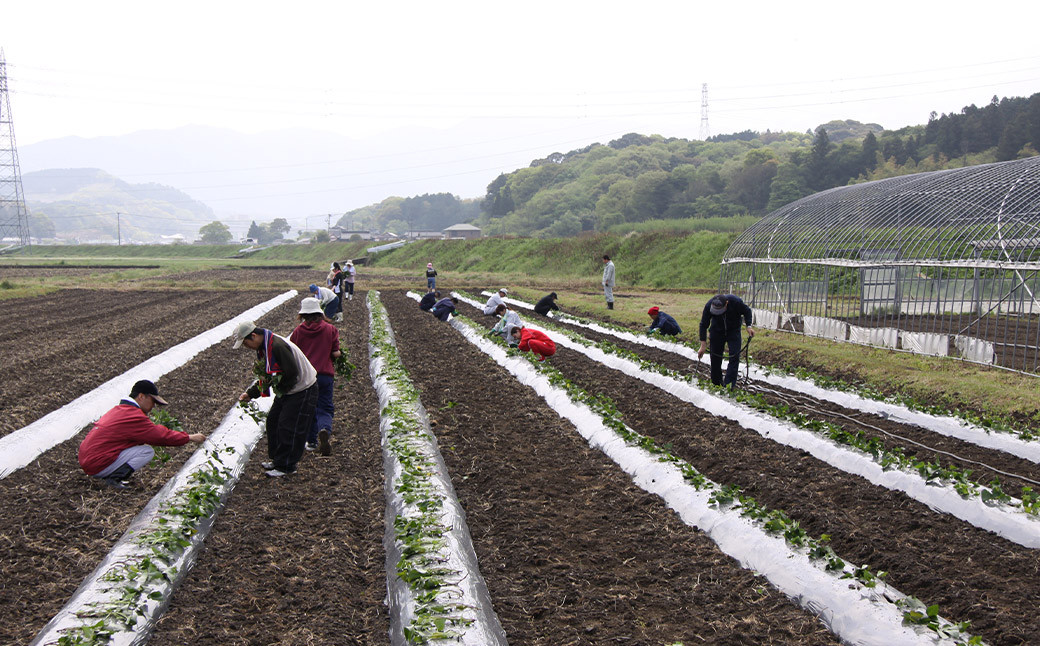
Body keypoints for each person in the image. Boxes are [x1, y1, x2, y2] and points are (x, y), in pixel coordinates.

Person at [78, 380, 206, 489]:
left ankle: (111, 474)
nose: (153, 406)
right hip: (97, 464)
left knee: (138, 447)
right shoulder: (133, 416)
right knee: (146, 451)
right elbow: (160, 436)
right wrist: (189, 437)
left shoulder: (119, 410)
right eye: (153, 401)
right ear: (141, 396)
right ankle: (114, 478)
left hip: (89, 460)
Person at [233, 320, 319, 477]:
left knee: (289, 426)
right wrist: (251, 393)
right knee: (273, 420)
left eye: (245, 343)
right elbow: (267, 375)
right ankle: (277, 459)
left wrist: (281, 390)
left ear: (253, 336)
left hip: (302, 389)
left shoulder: (276, 346)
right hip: (288, 390)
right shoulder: (265, 347)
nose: (246, 347)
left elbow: (291, 373)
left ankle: (287, 466)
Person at [289, 298, 341, 456]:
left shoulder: (298, 332)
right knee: (324, 407)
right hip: (325, 375)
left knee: (308, 409)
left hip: (306, 377)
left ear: (303, 315)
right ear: (319, 312)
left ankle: (311, 442)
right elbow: (335, 353)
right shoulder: (330, 329)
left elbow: (293, 353)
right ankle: (324, 428)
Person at [697, 294, 755, 387]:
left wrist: (748, 326)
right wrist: (703, 345)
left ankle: (729, 386)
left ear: (726, 304)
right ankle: (716, 384)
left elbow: (747, 311)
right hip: (717, 331)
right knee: (715, 358)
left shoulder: (736, 302)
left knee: (734, 357)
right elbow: (703, 324)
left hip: (733, 331)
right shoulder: (709, 305)